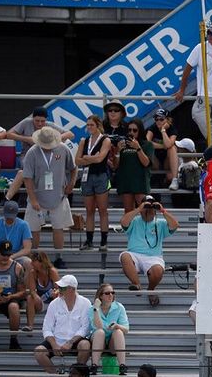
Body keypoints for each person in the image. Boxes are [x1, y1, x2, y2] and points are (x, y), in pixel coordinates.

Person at [23, 126, 78, 269]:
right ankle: (33, 257)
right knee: (33, 229)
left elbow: (73, 168)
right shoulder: (32, 152)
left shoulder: (63, 149)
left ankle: (59, 257)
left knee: (58, 228)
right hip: (37, 196)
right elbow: (27, 178)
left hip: (58, 195)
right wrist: (33, 199)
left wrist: (71, 184)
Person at [4, 106, 74, 205]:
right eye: (37, 121)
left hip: (45, 157)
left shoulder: (49, 126)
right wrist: (27, 139)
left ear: (46, 120)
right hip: (27, 155)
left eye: (42, 121)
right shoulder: (26, 123)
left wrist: (55, 139)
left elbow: (70, 134)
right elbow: (9, 134)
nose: (40, 124)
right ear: (32, 118)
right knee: (27, 169)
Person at [119, 195, 179, 307]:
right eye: (146, 206)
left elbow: (175, 225)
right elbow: (123, 222)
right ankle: (136, 285)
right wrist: (138, 209)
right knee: (125, 256)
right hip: (134, 255)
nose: (149, 210)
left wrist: (162, 210)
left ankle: (150, 290)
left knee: (158, 270)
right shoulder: (135, 221)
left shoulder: (160, 223)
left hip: (153, 257)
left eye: (151, 207)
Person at [34, 275, 91, 377]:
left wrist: (70, 342)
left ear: (72, 289)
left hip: (76, 339)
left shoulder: (85, 303)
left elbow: (85, 327)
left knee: (85, 345)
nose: (59, 290)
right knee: (38, 351)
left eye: (62, 287)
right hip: (57, 339)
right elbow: (46, 328)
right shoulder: (54, 303)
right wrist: (54, 344)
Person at [75, 115, 111, 251]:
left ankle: (103, 241)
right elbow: (77, 161)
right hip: (87, 176)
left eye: (92, 125)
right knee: (89, 210)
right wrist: (92, 158)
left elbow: (101, 158)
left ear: (98, 125)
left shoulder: (105, 140)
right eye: (88, 125)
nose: (89, 127)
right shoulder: (84, 141)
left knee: (102, 210)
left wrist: (86, 158)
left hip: (100, 176)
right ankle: (89, 240)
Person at [0, 200, 32, 276]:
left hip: (15, 254)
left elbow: (27, 249)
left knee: (29, 263)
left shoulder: (24, 225)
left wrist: (12, 256)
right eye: (7, 216)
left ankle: (26, 287)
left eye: (11, 216)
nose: (9, 219)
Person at [114, 119, 154, 213]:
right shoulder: (123, 144)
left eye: (134, 130)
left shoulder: (147, 144)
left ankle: (146, 228)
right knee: (128, 211)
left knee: (145, 211)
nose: (131, 132)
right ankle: (129, 228)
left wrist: (138, 148)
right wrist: (117, 152)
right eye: (129, 130)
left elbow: (146, 163)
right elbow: (115, 166)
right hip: (126, 181)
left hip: (140, 182)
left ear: (140, 131)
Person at [89, 283, 130, 376]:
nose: (111, 295)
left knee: (118, 331)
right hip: (98, 341)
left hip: (112, 343)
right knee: (100, 332)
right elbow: (98, 326)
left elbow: (126, 329)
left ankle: (122, 366)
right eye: (107, 293)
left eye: (112, 292)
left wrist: (117, 326)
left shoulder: (119, 307)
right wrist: (96, 309)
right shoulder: (92, 309)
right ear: (100, 296)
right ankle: (94, 365)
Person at [23, 251, 60, 332]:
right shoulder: (33, 273)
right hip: (41, 302)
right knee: (30, 298)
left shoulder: (52, 272)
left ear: (41, 262)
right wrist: (35, 296)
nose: (31, 263)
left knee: (57, 297)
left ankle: (57, 326)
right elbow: (32, 290)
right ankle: (30, 325)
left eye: (33, 261)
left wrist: (55, 292)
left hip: (53, 301)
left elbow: (59, 289)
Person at [146, 109, 180, 191]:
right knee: (146, 149)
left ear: (168, 120)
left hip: (167, 162)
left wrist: (163, 130)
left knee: (172, 148)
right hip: (155, 161)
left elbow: (169, 145)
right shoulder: (153, 127)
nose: (158, 121)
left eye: (161, 119)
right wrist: (162, 146)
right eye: (156, 119)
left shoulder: (172, 129)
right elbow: (146, 143)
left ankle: (175, 180)